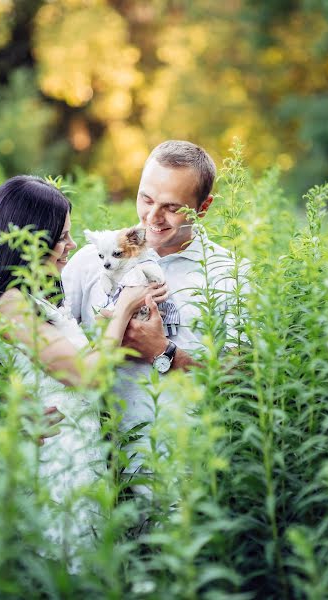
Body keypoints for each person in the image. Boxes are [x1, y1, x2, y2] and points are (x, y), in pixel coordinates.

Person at [0, 175, 167, 558]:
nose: (71, 246)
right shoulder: (9, 304)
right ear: (30, 239)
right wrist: (125, 307)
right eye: (61, 237)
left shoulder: (34, 297)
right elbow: (84, 373)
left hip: (79, 452)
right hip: (55, 463)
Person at [62, 140, 249, 474]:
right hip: (92, 461)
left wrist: (164, 352)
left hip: (179, 471)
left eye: (171, 207)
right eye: (145, 198)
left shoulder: (228, 274)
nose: (152, 217)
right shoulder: (91, 261)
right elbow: (50, 345)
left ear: (202, 208)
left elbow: (240, 379)